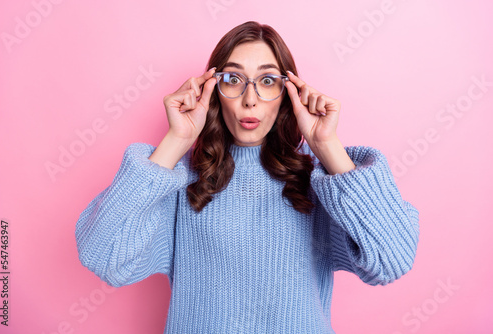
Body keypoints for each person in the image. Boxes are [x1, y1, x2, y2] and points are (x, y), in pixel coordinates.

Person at [75, 20, 420, 333]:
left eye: (267, 81)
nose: (250, 100)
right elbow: (105, 257)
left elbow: (391, 260)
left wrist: (326, 145)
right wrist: (177, 140)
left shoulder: (321, 183)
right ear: (211, 90)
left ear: (287, 93)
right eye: (233, 80)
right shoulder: (180, 182)